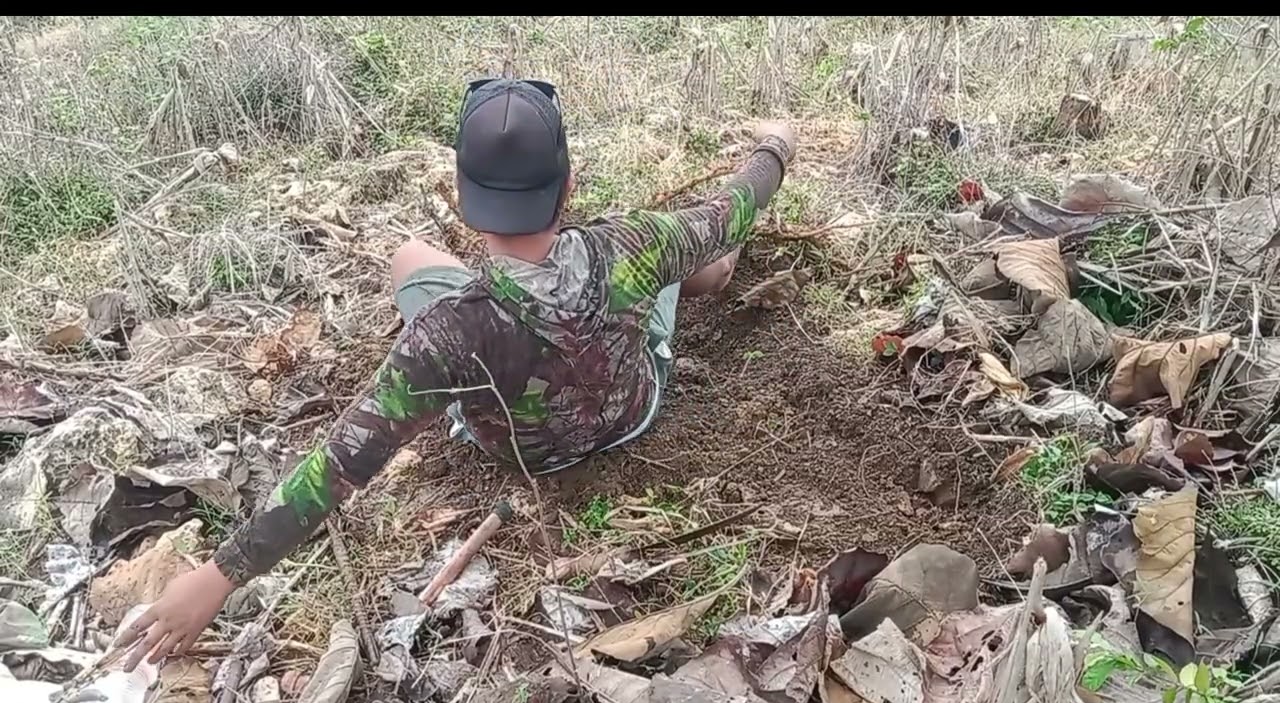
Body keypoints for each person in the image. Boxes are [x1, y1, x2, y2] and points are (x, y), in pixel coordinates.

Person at [117, 77, 797, 670]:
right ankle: (706, 274)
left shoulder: (449, 332)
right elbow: (739, 203)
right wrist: (778, 146)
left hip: (518, 449)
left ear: (467, 199)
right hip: (632, 409)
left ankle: (664, 271)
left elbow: (340, 464)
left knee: (410, 257)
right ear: (569, 184)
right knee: (700, 255)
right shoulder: (635, 241)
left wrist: (216, 575)